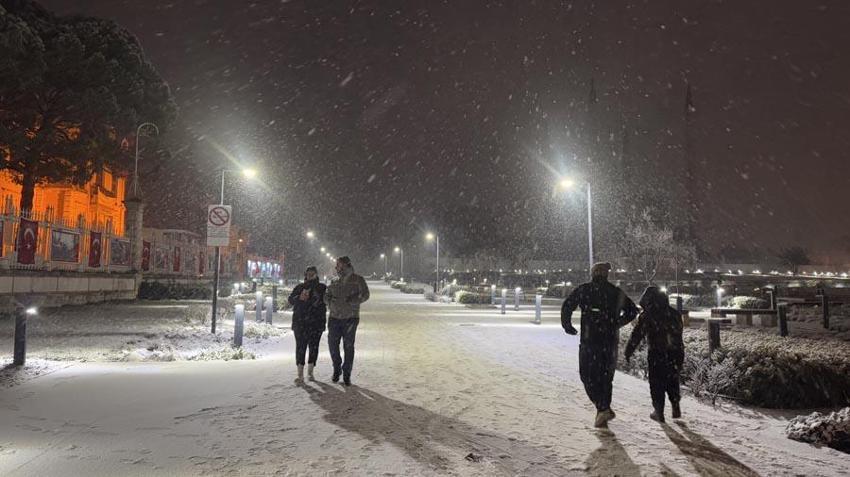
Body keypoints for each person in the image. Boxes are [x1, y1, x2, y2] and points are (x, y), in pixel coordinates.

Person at [562, 262, 639, 428]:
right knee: (606, 377)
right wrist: (616, 323)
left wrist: (567, 325)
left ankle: (602, 408)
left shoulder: (584, 290)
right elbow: (632, 310)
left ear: (593, 274)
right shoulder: (615, 292)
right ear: (606, 275)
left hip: (589, 340)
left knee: (587, 375)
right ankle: (603, 409)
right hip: (609, 341)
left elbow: (568, 305)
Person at [625, 286, 684, 423]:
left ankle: (659, 412)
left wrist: (628, 351)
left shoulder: (648, 315)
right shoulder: (674, 313)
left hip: (657, 353)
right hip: (676, 352)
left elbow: (637, 335)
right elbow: (678, 333)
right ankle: (675, 405)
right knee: (672, 379)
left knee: (657, 383)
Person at [324, 256, 370, 386]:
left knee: (348, 347)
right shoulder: (334, 280)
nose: (336, 267)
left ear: (345, 265)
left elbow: (366, 294)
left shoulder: (358, 280)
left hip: (350, 318)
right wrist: (329, 302)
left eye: (338, 265)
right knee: (332, 345)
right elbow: (326, 296)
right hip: (334, 318)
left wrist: (354, 301)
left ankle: (347, 372)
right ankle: (337, 367)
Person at [288, 266, 327, 382]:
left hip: (316, 323)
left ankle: (310, 371)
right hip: (300, 323)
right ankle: (300, 373)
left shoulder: (322, 288)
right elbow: (290, 300)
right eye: (308, 273)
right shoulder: (300, 287)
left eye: (312, 273)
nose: (310, 275)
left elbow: (328, 301)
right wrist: (299, 297)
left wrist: (319, 300)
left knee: (314, 347)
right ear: (305, 274)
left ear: (316, 274)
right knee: (300, 347)